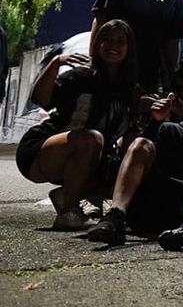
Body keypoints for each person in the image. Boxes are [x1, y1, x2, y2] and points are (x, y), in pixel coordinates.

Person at [17, 20, 139, 230]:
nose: (114, 46)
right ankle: (69, 211)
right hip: (42, 151)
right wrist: (55, 63)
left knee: (131, 160)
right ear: (98, 44)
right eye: (108, 40)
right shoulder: (81, 76)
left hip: (91, 157)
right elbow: (40, 98)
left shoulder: (129, 88)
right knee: (92, 138)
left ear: (129, 48)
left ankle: (68, 195)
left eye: (121, 41)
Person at [88, 87, 183, 250]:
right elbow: (138, 154)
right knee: (141, 144)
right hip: (148, 201)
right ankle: (114, 217)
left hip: (181, 211)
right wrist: (156, 120)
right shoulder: (170, 129)